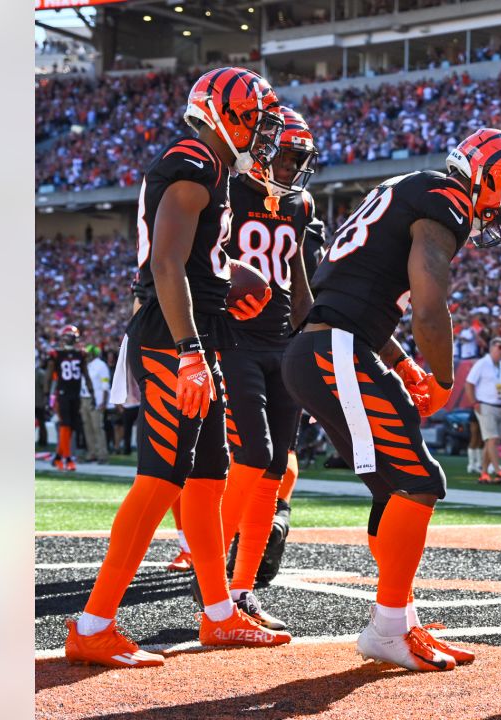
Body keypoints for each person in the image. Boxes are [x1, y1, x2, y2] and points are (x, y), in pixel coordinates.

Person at [283, 127, 501, 671]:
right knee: (419, 481)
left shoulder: (407, 188)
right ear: (489, 177)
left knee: (392, 487)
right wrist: (445, 379)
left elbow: (359, 295)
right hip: (336, 350)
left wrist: (401, 362)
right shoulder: (445, 198)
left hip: (331, 346)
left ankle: (400, 618)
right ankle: (388, 627)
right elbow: (428, 303)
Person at [65, 67, 288, 669]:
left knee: (209, 476)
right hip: (174, 337)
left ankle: (218, 615)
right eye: (259, 122)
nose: (265, 135)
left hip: (197, 330)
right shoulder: (194, 163)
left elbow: (191, 261)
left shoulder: (210, 166)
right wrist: (190, 351)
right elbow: (166, 264)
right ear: (228, 115)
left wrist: (231, 275)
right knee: (160, 477)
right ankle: (94, 623)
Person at [204, 106, 320, 630]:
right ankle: (210, 581)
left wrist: (312, 343)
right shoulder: (230, 189)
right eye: (288, 156)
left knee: (274, 471)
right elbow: (204, 261)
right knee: (254, 456)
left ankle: (242, 590)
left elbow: (298, 278)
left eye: (301, 160)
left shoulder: (300, 204)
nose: (293, 169)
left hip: (284, 345)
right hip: (237, 340)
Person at [45, 325, 95, 471]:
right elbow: (49, 377)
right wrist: (47, 396)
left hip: (75, 394)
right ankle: (67, 458)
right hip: (62, 394)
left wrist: (92, 393)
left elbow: (86, 375)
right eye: (70, 336)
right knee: (65, 425)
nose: (71, 339)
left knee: (71, 426)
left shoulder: (81, 354)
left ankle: (59, 457)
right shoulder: (56, 354)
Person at [466, 338, 501, 484]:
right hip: (486, 405)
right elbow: (469, 383)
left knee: (492, 441)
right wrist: (474, 402)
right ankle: (498, 470)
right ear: (492, 348)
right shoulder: (482, 364)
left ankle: (484, 474)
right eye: (500, 347)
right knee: (492, 439)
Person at [79, 345, 111, 463]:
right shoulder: (86, 365)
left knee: (97, 427)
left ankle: (102, 454)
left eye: (87, 354)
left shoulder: (101, 365)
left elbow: (105, 385)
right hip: (84, 398)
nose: (85, 356)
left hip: (96, 400)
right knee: (87, 427)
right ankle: (91, 452)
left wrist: (103, 401)